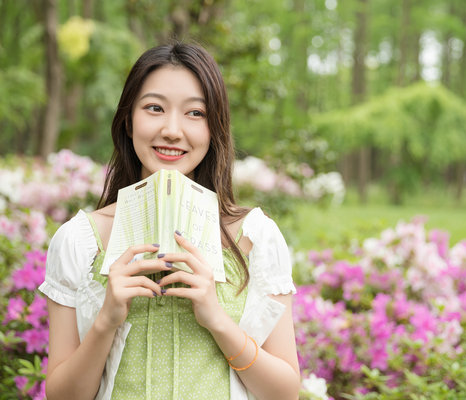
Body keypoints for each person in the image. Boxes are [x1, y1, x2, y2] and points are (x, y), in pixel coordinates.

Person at [39, 43, 301, 400]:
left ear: (214, 128)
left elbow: (285, 393)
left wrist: (217, 319)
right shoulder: (79, 240)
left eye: (195, 113)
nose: (172, 130)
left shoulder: (255, 236)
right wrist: (107, 320)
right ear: (128, 121)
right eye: (154, 108)